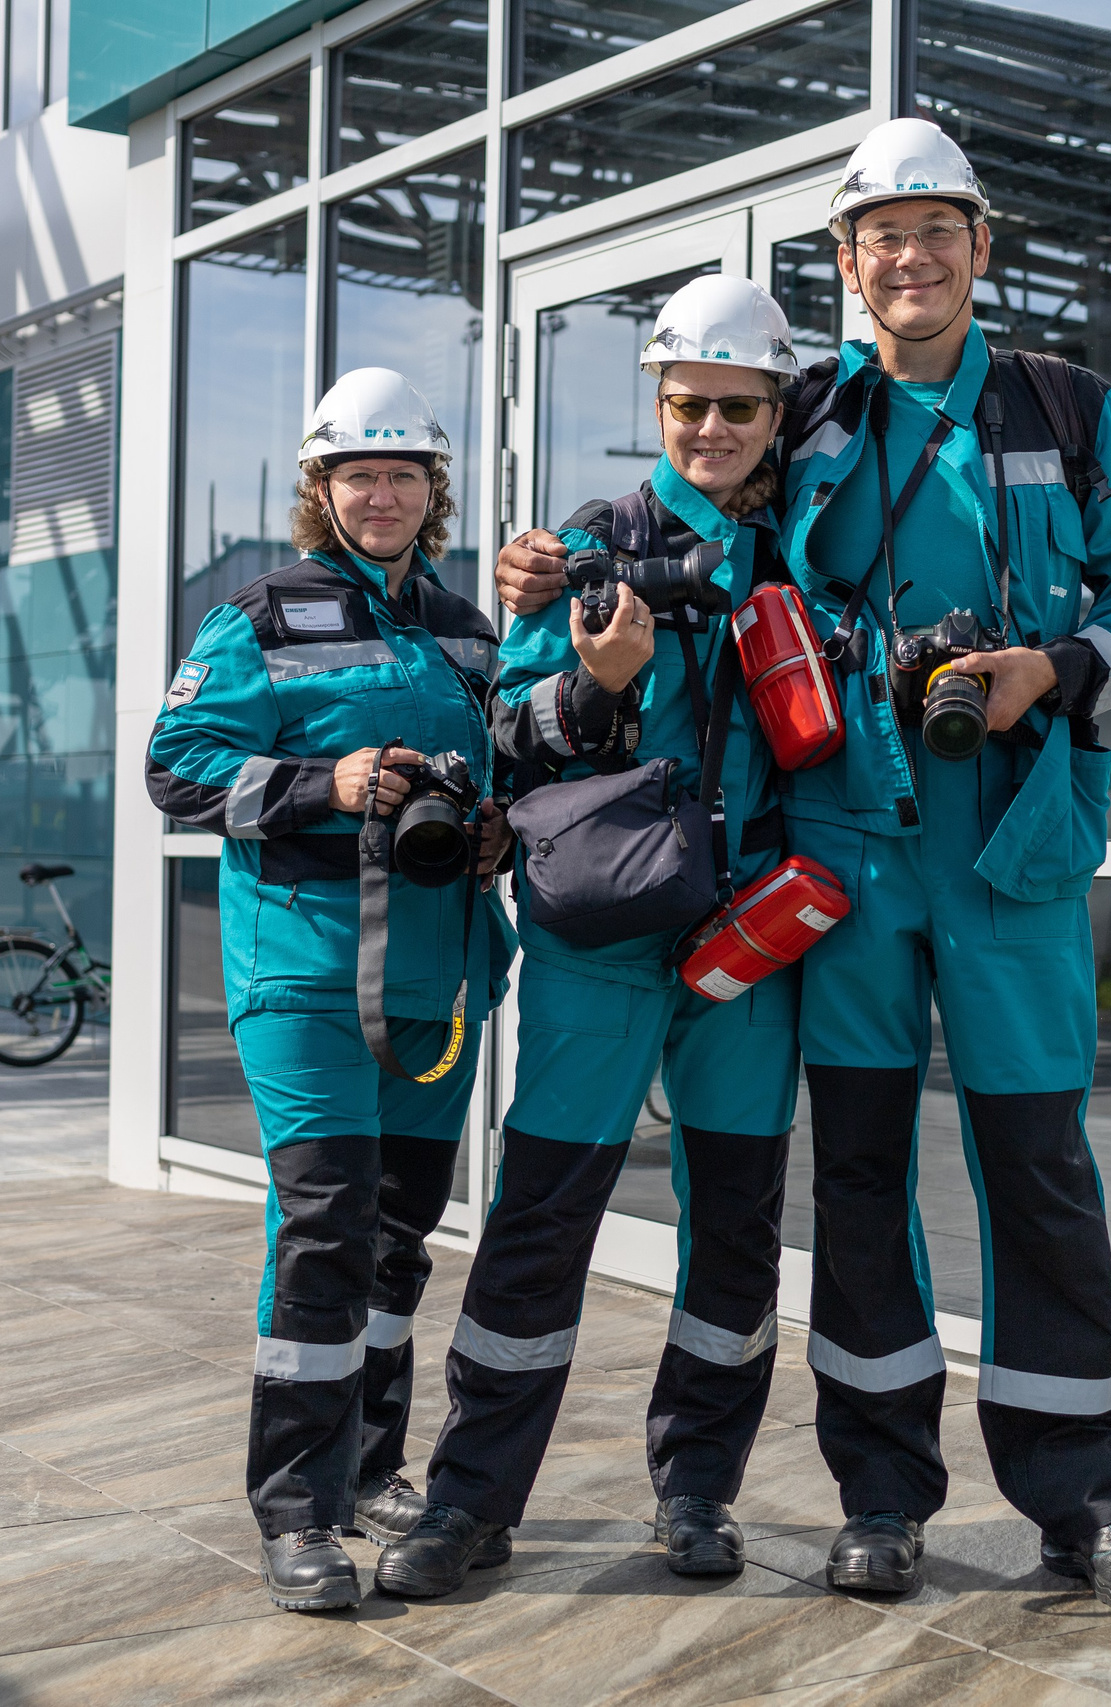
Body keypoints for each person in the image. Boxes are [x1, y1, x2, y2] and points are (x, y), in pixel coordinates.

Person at [499, 120, 1111, 1612]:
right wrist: (546, 566)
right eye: (882, 234)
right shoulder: (812, 411)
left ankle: (1087, 1498)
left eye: (938, 228)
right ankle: (881, 1492)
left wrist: (1056, 666)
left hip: (1013, 851)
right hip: (851, 856)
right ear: (847, 263)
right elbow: (699, 484)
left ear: (981, 249)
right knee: (862, 1177)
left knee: (1042, 1173)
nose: (912, 255)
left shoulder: (1067, 406)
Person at [376, 277, 803, 1600]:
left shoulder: (810, 553)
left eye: (741, 405)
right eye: (689, 404)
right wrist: (595, 685)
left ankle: (697, 1486)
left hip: (750, 943)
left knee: (734, 1228)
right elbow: (501, 730)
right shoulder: (583, 548)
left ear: (779, 412)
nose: (713, 427)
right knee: (541, 1216)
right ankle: (470, 1499)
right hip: (600, 939)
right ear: (658, 405)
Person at [146, 368, 515, 1613]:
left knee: (398, 1240)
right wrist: (327, 781)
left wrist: (492, 829)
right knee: (323, 1227)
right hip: (302, 972)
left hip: (437, 979)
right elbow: (175, 767)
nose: (382, 494)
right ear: (321, 489)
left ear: (433, 488)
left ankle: (371, 1473)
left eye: (404, 473)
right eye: (357, 474)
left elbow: (501, 767)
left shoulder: (470, 629)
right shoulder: (259, 617)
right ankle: (297, 1510)